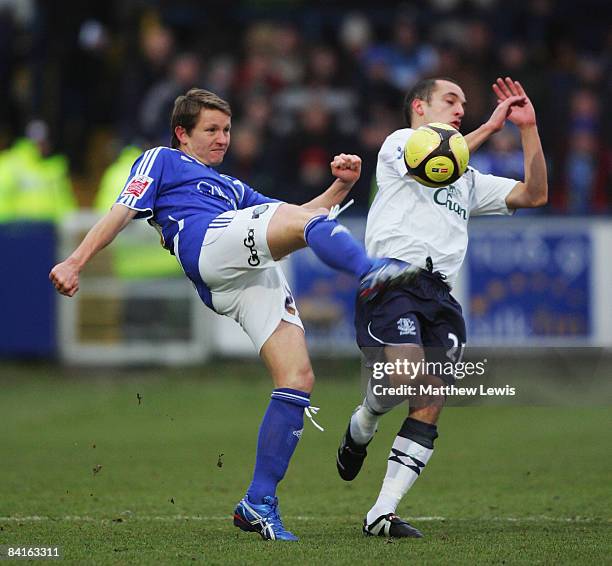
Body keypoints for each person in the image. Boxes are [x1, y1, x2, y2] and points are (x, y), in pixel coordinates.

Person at [49, 88, 412, 542]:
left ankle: (258, 503)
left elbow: (297, 216)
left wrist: (340, 186)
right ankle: (369, 273)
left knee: (297, 378)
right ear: (182, 134)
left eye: (226, 129)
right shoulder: (162, 159)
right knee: (302, 228)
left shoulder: (232, 186)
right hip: (207, 245)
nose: (222, 139)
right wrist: (75, 261)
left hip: (241, 273)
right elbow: (121, 211)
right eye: (211, 130)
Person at [336, 76, 548, 537]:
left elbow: (535, 194)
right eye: (450, 100)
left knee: (430, 399)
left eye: (464, 104)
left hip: (441, 296)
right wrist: (492, 127)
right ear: (419, 106)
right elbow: (432, 158)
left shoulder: (467, 180)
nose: (460, 108)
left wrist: (527, 129)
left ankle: (381, 513)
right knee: (404, 376)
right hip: (393, 280)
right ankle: (365, 419)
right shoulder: (398, 145)